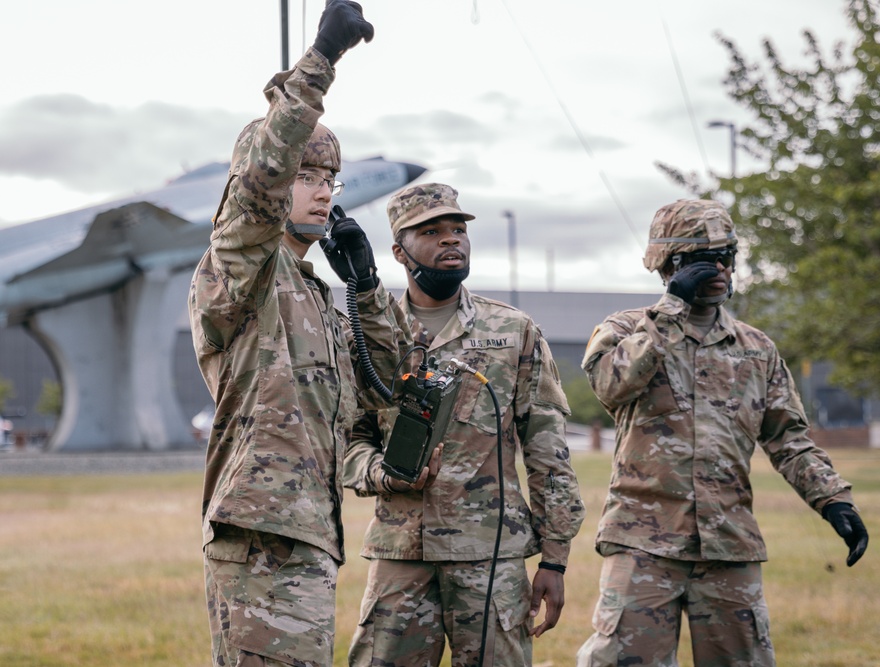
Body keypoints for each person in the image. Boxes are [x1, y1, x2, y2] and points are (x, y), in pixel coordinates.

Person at [188, 3, 407, 666]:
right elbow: (259, 181)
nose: (321, 192)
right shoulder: (240, 265)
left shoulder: (314, 294)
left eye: (329, 180)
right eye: (306, 177)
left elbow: (384, 386)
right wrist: (320, 63)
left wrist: (365, 285)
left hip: (310, 532)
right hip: (258, 534)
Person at [576, 199, 869, 667]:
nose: (717, 269)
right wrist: (673, 306)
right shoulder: (625, 330)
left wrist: (833, 500)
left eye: (726, 257)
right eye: (700, 260)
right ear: (668, 265)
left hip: (729, 544)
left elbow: (789, 439)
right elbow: (612, 385)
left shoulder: (756, 349)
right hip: (643, 544)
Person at [343, 183, 586, 667]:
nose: (451, 240)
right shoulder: (371, 331)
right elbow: (348, 437)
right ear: (398, 251)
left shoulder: (511, 330)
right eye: (431, 232)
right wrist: (383, 473)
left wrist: (554, 558)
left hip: (490, 556)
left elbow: (548, 450)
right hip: (401, 554)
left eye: (458, 229)